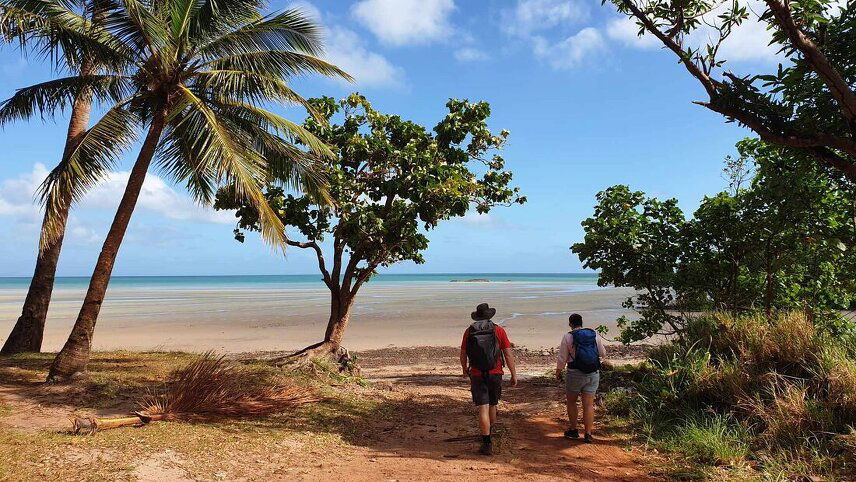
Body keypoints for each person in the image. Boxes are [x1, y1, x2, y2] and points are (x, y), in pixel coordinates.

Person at [460, 303, 518, 456]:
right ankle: (489, 433)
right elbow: (508, 354)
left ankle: (486, 443)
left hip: (477, 373)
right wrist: (513, 374)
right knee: (493, 405)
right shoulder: (498, 330)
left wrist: (464, 370)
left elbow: (463, 353)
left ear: (477, 316)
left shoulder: (469, 331)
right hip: (495, 372)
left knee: (483, 407)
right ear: (489, 316)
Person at [556, 313, 606, 443]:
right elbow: (602, 353)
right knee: (588, 404)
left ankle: (573, 429)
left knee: (572, 402)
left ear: (570, 324)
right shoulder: (593, 334)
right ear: (582, 322)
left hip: (574, 373)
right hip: (592, 372)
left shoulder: (568, 336)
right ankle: (588, 433)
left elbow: (562, 357)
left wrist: (558, 371)